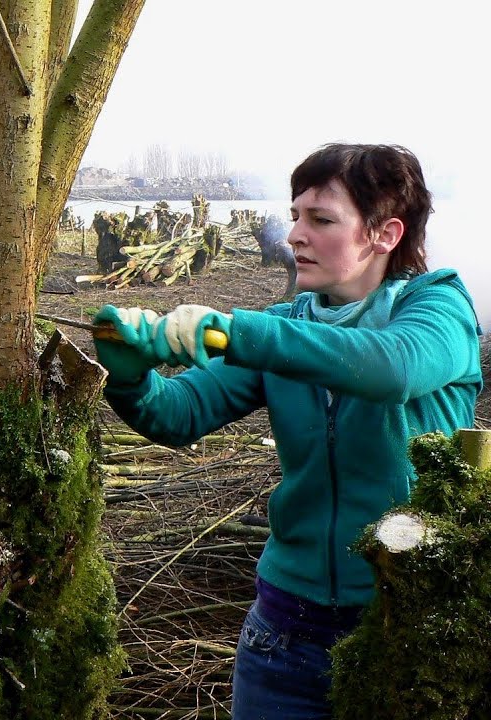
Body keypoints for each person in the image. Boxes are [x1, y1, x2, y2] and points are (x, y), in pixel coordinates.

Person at [91, 144, 481, 719]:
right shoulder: (283, 327)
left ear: (385, 234)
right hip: (284, 634)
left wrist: (233, 330)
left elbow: (392, 369)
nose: (294, 234)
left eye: (321, 220)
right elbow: (178, 414)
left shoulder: (439, 310)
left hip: (413, 623)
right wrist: (130, 380)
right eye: (295, 215)